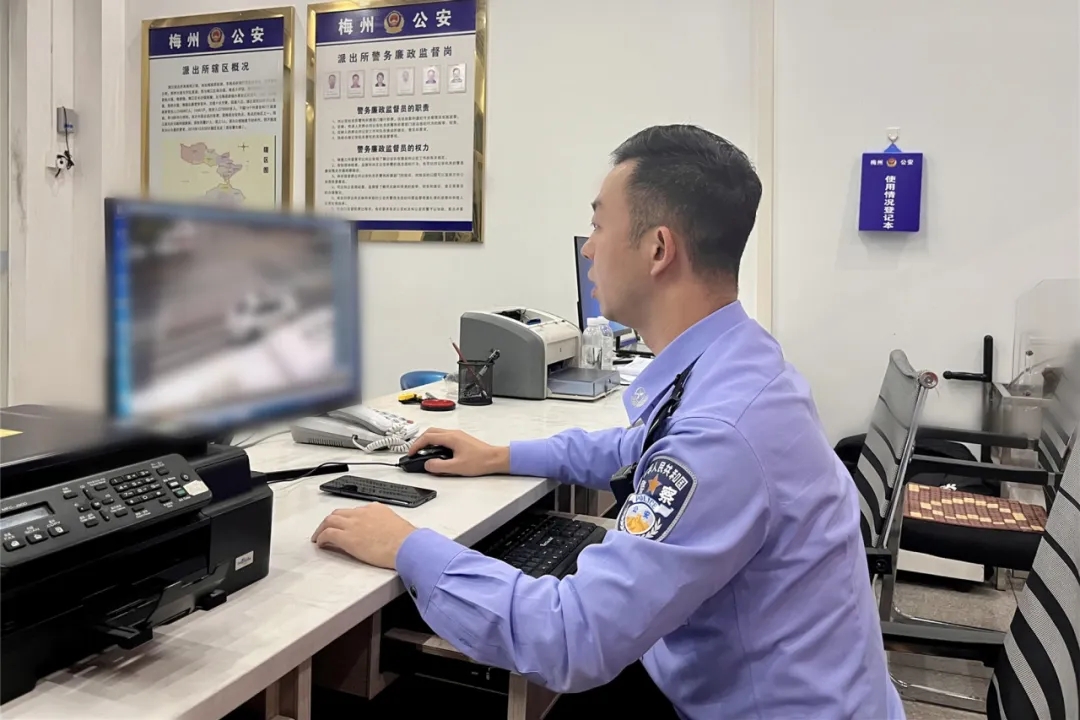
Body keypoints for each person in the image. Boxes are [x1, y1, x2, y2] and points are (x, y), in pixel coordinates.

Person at [311, 125, 905, 720]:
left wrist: (408, 546)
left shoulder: (721, 435)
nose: (589, 249)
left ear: (658, 249)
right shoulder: (739, 360)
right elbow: (636, 448)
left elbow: (569, 640)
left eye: (598, 226)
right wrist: (500, 455)